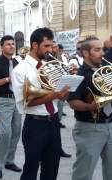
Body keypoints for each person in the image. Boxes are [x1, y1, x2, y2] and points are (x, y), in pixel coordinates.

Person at [12, 27, 70, 180]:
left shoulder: (50, 66)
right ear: (34, 45)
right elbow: (25, 104)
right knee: (30, 170)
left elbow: (61, 97)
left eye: (52, 45)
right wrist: (54, 95)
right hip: (35, 125)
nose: (50, 50)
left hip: (54, 122)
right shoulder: (20, 70)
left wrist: (68, 84)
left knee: (52, 169)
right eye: (46, 46)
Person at [68, 36, 112, 180]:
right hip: (89, 128)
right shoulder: (78, 75)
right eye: (97, 50)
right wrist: (90, 106)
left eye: (102, 49)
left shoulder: (108, 70)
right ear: (85, 53)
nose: (102, 53)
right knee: (84, 172)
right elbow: (72, 102)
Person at [0, 35, 22, 179]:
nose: (12, 46)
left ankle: (9, 161)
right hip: (3, 100)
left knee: (16, 132)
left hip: (17, 100)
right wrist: (8, 79)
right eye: (8, 44)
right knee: (5, 132)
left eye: (13, 44)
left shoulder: (17, 62)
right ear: (2, 47)